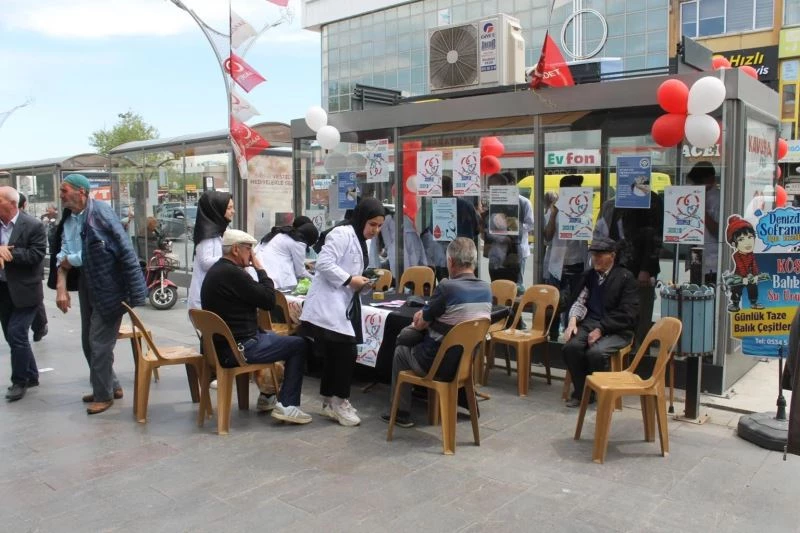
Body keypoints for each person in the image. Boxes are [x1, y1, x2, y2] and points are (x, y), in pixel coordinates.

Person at [51, 174, 147, 414]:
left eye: (65, 190)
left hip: (110, 287)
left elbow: (124, 251)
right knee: (88, 341)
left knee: (98, 343)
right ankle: (110, 385)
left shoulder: (101, 213)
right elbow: (64, 251)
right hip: (88, 283)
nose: (61, 195)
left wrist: (137, 293)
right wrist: (65, 268)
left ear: (81, 192)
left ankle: (103, 396)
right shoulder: (70, 219)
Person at [201, 229, 312, 424]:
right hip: (239, 349)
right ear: (236, 250)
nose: (252, 255)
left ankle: (268, 396)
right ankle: (288, 405)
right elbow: (269, 300)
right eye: (248, 249)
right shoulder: (233, 274)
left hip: (220, 347)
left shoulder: (216, 271)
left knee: (276, 337)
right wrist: (260, 269)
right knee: (299, 344)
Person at [380, 237, 492, 428]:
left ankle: (400, 412)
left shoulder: (447, 288)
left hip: (435, 364)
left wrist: (422, 315)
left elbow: (420, 323)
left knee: (401, 348)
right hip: (464, 365)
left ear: (450, 262)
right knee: (410, 337)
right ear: (473, 261)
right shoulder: (486, 289)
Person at [299, 197, 385, 427]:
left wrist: (363, 280)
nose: (376, 230)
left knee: (338, 352)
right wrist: (350, 280)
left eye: (379, 226)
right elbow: (324, 263)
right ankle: (339, 400)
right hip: (328, 302)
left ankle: (330, 401)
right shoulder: (342, 234)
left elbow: (351, 267)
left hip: (342, 302)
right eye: (372, 225)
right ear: (361, 220)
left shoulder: (362, 239)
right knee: (345, 352)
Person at [561, 237, 639, 407]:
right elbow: (580, 301)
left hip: (618, 329)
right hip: (591, 323)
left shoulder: (625, 277)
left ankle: (602, 392)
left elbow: (628, 313)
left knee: (595, 353)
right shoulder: (589, 275)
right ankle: (583, 393)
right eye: (593, 254)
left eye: (600, 255)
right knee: (571, 347)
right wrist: (572, 322)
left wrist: (602, 329)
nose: (595, 258)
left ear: (612, 255)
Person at [594, 189, 663, 347]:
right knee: (619, 313)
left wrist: (646, 268)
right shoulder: (617, 200)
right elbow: (608, 234)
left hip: (640, 269)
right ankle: (623, 351)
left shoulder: (651, 199)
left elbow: (655, 237)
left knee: (641, 313)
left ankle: (639, 354)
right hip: (618, 266)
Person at [0, 187, 47, 401]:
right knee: (12, 336)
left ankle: (19, 381)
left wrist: (8, 252)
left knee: (17, 333)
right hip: (3, 290)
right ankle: (32, 374)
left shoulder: (33, 225)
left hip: (26, 291)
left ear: (10, 203)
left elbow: (36, 255)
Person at [543, 175, 589, 340]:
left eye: (579, 187)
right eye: (574, 188)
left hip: (577, 263)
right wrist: (554, 215)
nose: (577, 191)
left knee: (575, 303)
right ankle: (552, 336)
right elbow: (547, 237)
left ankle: (571, 336)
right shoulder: (553, 211)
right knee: (554, 303)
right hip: (557, 266)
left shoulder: (582, 208)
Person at [187, 191, 234, 311]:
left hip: (214, 294)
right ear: (217, 210)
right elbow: (205, 262)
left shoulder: (221, 229)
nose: (233, 211)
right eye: (229, 208)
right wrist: (230, 257)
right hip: (205, 299)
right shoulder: (207, 234)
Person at [17, 193, 48, 342]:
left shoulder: (32, 224)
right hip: (11, 273)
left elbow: (36, 252)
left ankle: (40, 326)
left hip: (30, 269)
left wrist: (10, 252)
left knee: (35, 300)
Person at [253, 222, 318, 289]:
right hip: (277, 279)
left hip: (259, 273)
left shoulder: (281, 233)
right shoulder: (298, 242)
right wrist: (316, 280)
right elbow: (300, 273)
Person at [686, 162, 720, 284]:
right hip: (696, 257)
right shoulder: (694, 196)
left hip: (712, 262)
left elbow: (719, 231)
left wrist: (702, 209)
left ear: (711, 180)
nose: (696, 186)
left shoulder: (718, 199)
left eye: (699, 182)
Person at [723, 215, 764, 312]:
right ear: (734, 244)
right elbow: (741, 266)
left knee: (753, 287)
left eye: (750, 237)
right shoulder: (736, 255)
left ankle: (753, 302)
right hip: (739, 276)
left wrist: (755, 275)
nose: (747, 242)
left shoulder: (751, 255)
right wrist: (744, 277)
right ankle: (735, 303)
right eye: (741, 239)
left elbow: (754, 265)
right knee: (736, 289)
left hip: (749, 276)